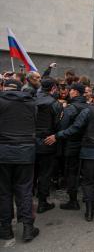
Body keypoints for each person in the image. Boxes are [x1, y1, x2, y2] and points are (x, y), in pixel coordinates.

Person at [45, 90, 94, 221]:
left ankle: (89, 211)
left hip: (89, 151)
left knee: (88, 181)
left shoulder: (88, 111)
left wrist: (57, 135)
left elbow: (75, 128)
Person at [0, 79, 39, 242]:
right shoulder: (31, 103)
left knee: (4, 192)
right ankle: (28, 228)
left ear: (4, 87)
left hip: (4, 151)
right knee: (24, 190)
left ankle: (6, 229)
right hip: (25, 151)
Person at [34, 78, 63, 213]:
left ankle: (30, 201)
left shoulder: (32, 99)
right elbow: (58, 124)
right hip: (47, 140)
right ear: (53, 88)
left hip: (32, 141)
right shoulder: (54, 103)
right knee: (45, 174)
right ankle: (42, 202)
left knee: (32, 173)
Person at [59, 83, 89, 210]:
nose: (68, 92)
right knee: (87, 172)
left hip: (72, 143)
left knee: (72, 172)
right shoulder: (89, 106)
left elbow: (63, 126)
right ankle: (88, 198)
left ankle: (73, 200)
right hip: (87, 143)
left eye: (70, 90)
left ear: (75, 92)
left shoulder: (71, 108)